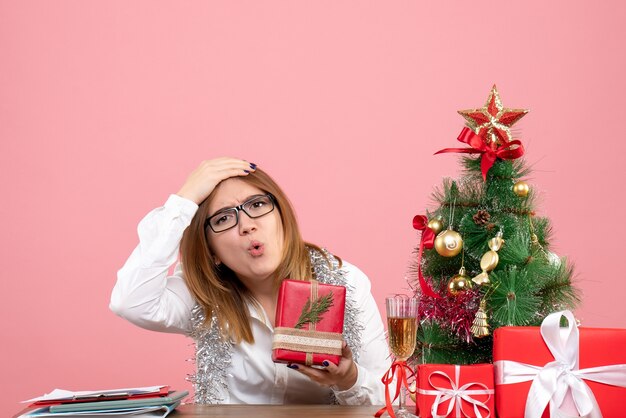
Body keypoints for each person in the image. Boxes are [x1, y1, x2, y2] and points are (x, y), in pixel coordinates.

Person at [110, 157, 390, 405]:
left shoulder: (346, 281)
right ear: (212, 252)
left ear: (282, 216)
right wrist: (184, 200)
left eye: (257, 205)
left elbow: (391, 397)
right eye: (222, 219)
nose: (247, 225)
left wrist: (348, 380)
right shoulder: (202, 293)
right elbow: (130, 301)